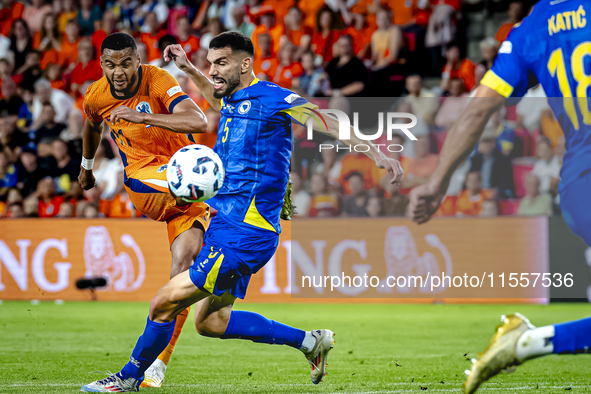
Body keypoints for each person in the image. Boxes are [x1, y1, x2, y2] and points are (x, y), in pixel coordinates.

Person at [81, 31, 403, 392]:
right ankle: (310, 342)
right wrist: (189, 69)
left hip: (245, 233)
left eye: (222, 63)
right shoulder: (234, 97)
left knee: (162, 303)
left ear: (245, 64)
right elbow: (218, 101)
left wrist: (376, 152)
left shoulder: (272, 97)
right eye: (211, 62)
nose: (214, 70)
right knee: (212, 323)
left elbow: (326, 119)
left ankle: (129, 377)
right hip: (225, 224)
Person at [407, 0, 591, 391]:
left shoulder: (531, 28)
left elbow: (477, 111)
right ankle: (525, 343)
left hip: (579, 183)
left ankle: (525, 343)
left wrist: (438, 181)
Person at [78, 32, 209, 389]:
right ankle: (224, 204)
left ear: (138, 60)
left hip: (183, 185)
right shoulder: (95, 96)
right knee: (209, 193)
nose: (117, 72)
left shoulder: (157, 79)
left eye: (124, 63)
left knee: (183, 271)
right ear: (102, 64)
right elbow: (91, 124)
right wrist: (87, 165)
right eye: (109, 64)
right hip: (145, 181)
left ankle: (157, 365)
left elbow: (198, 121)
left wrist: (141, 117)